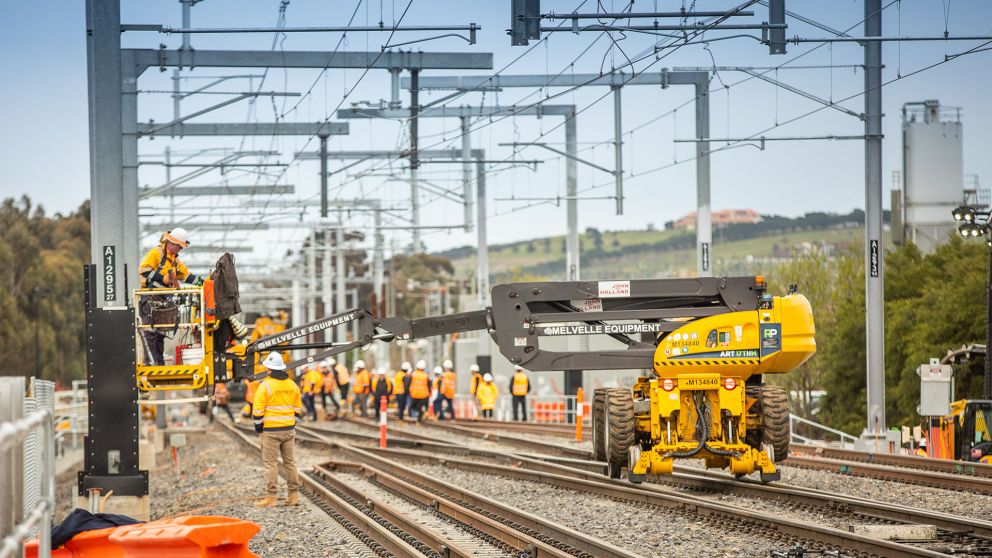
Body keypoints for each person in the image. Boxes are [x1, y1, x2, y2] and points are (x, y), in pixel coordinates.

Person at [137, 228, 200, 366]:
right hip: (150, 298)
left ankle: (158, 363)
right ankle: (150, 363)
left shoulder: (174, 261)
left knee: (160, 332)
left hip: (164, 300)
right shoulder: (156, 253)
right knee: (150, 332)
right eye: (179, 246)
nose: (180, 250)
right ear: (171, 243)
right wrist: (162, 278)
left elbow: (186, 275)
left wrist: (203, 282)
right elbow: (143, 270)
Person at [252, 352, 303, 507]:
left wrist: (259, 426)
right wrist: (291, 424)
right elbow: (298, 409)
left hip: (271, 432)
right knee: (290, 463)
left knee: (271, 464)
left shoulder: (265, 386)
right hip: (288, 430)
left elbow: (258, 411)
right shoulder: (292, 385)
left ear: (269, 369)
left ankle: (271, 498)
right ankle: (294, 496)